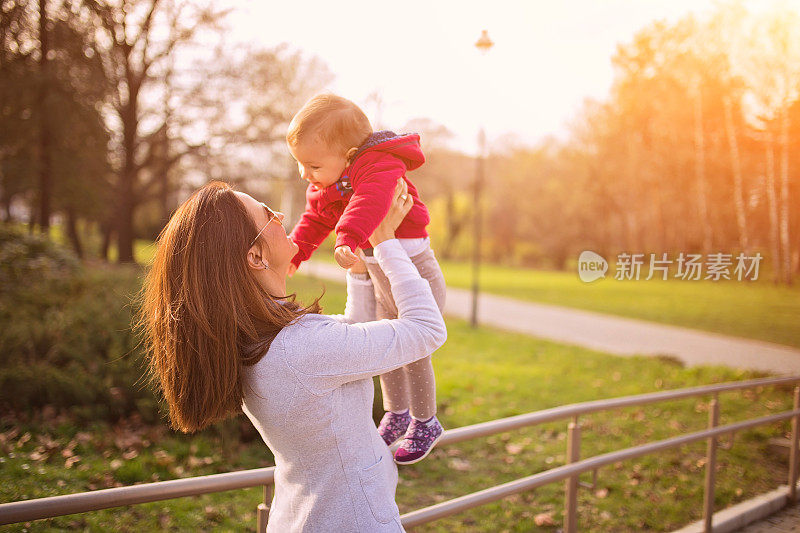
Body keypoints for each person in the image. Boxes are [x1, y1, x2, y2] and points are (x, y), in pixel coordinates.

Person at [140, 179, 446, 532]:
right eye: (268, 215)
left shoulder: (261, 341)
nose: (281, 215)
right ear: (256, 256)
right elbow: (427, 328)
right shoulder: (299, 348)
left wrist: (360, 276)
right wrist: (387, 242)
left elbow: (345, 351)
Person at [286, 93, 447, 464]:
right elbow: (314, 219)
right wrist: (297, 251)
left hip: (415, 271)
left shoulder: (378, 163)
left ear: (349, 154)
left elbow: (370, 202)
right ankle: (397, 412)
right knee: (385, 343)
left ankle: (426, 420)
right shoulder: (329, 183)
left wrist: (349, 237)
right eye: (300, 166)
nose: (305, 175)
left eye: (312, 165)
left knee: (413, 347)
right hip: (381, 272)